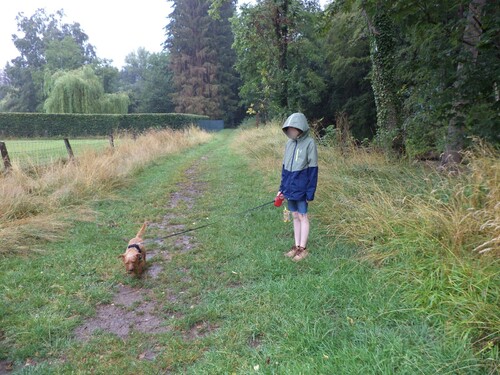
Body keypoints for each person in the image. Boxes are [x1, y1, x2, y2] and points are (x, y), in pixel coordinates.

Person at [277, 113, 318, 261]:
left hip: (302, 187)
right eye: (289, 129)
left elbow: (313, 169)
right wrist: (282, 189)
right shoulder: (289, 144)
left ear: (301, 128)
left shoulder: (309, 143)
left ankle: (303, 248)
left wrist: (310, 191)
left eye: (294, 129)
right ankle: (296, 246)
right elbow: (284, 168)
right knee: (294, 215)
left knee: (302, 216)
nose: (291, 132)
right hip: (289, 188)